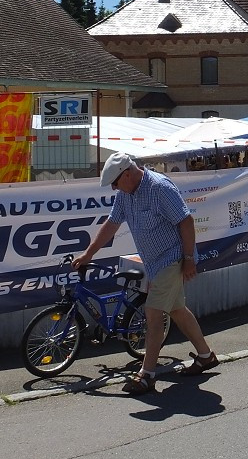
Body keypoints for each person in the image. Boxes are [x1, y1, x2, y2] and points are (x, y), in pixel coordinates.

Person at [71, 152, 216, 395]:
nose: (115, 188)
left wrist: (189, 259)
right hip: (154, 263)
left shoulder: (159, 187)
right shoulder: (126, 194)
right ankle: (206, 355)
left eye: (115, 183)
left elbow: (186, 221)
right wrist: (88, 254)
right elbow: (111, 224)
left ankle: (147, 375)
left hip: (174, 258)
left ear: (127, 174)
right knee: (177, 309)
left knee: (153, 313)